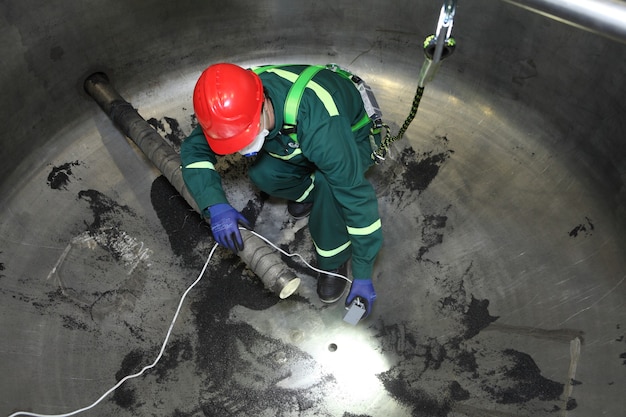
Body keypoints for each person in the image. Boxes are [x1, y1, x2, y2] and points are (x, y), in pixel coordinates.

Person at [180, 63, 382, 317]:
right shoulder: (232, 104)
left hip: (349, 135)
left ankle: (333, 260)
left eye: (246, 136)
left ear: (263, 104)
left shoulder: (322, 127)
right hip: (297, 134)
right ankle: (309, 193)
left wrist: (363, 274)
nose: (242, 149)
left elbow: (358, 202)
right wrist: (214, 204)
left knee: (331, 188)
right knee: (263, 173)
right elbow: (193, 151)